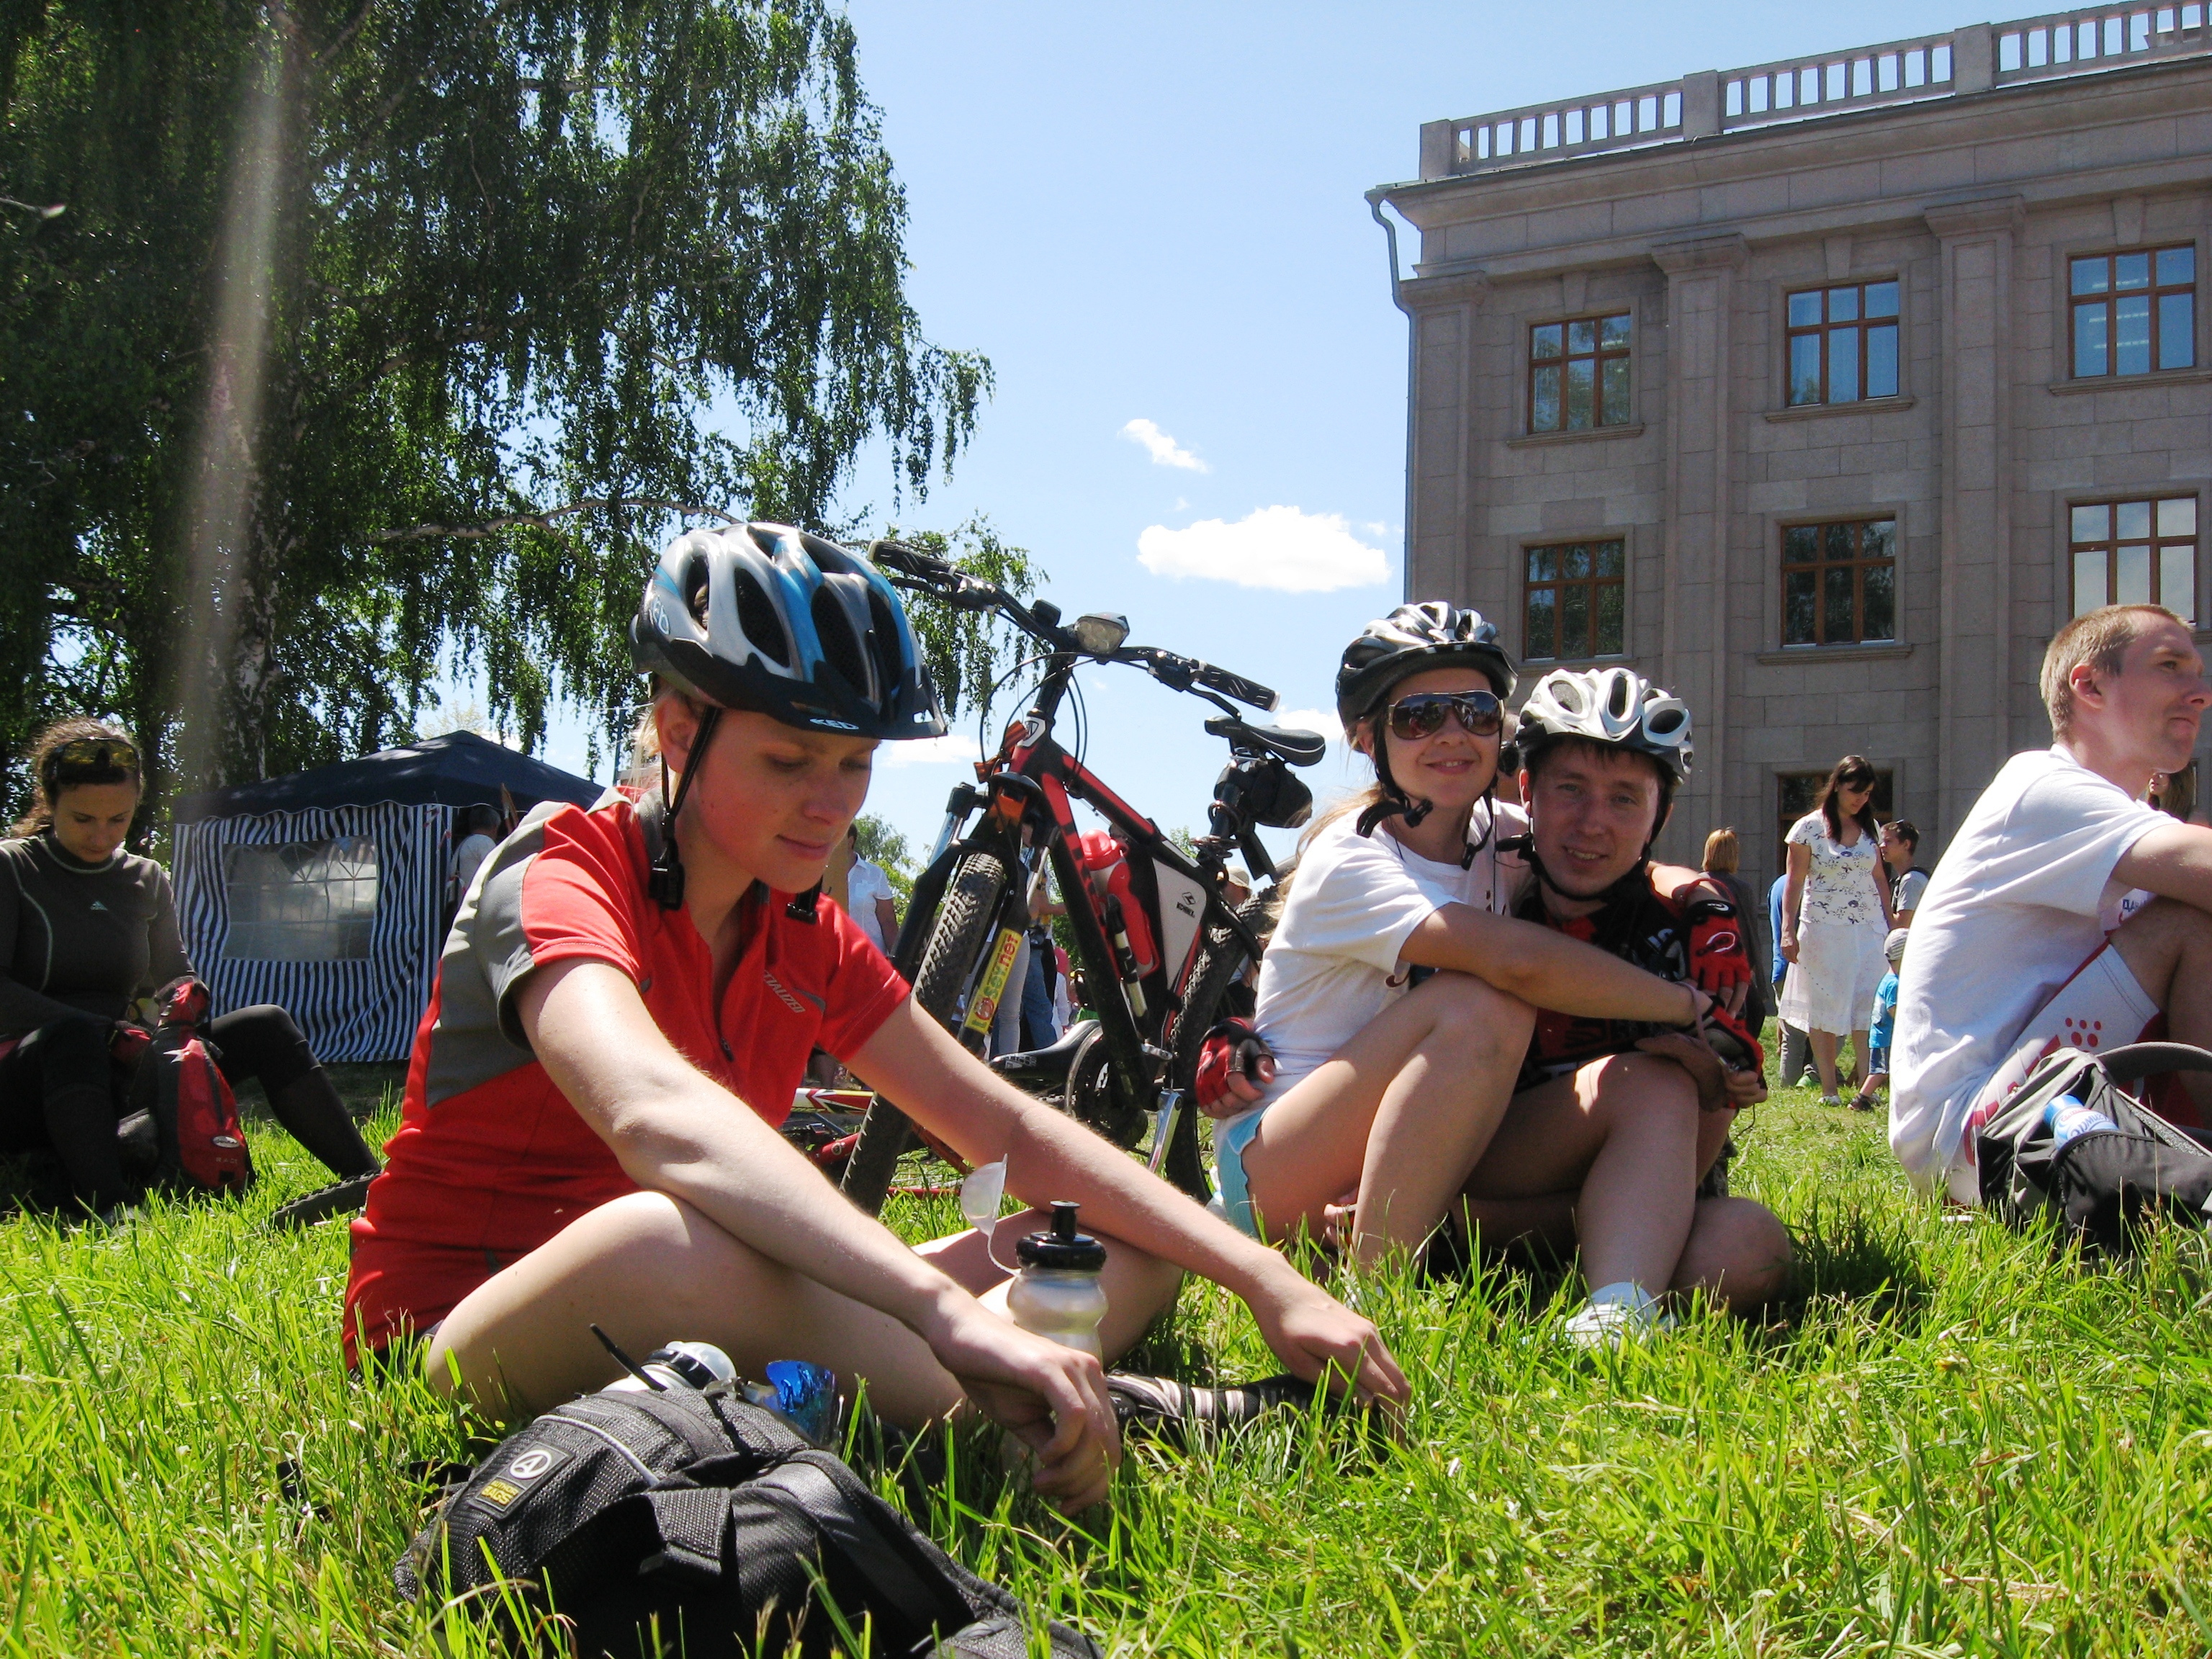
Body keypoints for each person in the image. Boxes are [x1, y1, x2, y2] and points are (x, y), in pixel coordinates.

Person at [343, 524, 1403, 1511]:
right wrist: (938, 1312)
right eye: (788, 761)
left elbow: (1005, 1126)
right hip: (456, 1337)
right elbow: (651, 1113)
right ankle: (1061, 1410)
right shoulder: (564, 865)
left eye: (854, 765)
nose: (833, 804)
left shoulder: (799, 924)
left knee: (1104, 1241)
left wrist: (1262, 1274)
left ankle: (928, 1388)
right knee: (667, 1238)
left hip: (714, 1306)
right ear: (679, 730)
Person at [1201, 607, 1777, 1343]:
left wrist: (1703, 899)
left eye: (1474, 712)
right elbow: (1517, 962)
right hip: (1277, 1162)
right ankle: (1375, 1294)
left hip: (1424, 1145)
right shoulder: (1353, 856)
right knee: (1484, 1002)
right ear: (1367, 737)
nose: (1451, 734)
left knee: (1656, 1094)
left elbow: (1600, 846)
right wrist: (1685, 1006)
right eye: (1418, 716)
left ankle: (1618, 1312)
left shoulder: (1498, 837)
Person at [0, 720, 381, 1220]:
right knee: (72, 1037)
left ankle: (372, 1184)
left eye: (118, 819)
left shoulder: (145, 877)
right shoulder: (14, 867)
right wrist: (103, 1031)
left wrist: (184, 995)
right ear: (49, 803)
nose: (101, 835)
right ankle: (110, 1209)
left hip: (120, 1062)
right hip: (29, 1075)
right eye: (83, 819)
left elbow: (173, 973)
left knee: (266, 1024)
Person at [1893, 604, 2212, 1202]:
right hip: (1975, 1136)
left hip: (2041, 1107)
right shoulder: (2040, 788)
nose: (2201, 693)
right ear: (2090, 686)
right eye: (2170, 667)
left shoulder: (2130, 821)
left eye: (2197, 672)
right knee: (2191, 923)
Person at [1778, 757, 1894, 1107]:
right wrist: (1787, 930)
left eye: (1867, 793)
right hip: (1823, 929)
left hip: (1869, 930)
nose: (1861, 799)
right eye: (1855, 790)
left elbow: (1879, 878)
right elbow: (1794, 882)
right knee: (1825, 1006)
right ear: (1838, 785)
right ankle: (1829, 1088)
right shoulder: (1807, 828)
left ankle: (1865, 1090)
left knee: (1868, 1004)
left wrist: (1890, 923)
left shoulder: (1870, 827)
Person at [1699, 827, 1770, 1028]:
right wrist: (1752, 967)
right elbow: (1749, 930)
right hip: (1735, 963)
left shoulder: (1696, 883)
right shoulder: (1741, 888)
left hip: (1703, 963)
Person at [1848, 929, 1908, 1113]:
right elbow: (1893, 1009)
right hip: (1885, 1037)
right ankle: (1861, 1099)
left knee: (1887, 1069)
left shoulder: (1888, 978)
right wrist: (1907, 1022)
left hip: (1881, 1035)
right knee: (1880, 1071)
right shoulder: (1895, 983)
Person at [1768, 871, 1812, 1086]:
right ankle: (1800, 1078)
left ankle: (1787, 1081)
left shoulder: (1778, 884)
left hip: (1780, 965)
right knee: (1801, 1032)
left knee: (1787, 1026)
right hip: (1799, 965)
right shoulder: (1805, 885)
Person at [842, 825, 899, 957]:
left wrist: (897, 960)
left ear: (850, 841)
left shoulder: (875, 874)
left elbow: (888, 920)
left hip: (870, 957)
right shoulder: (819, 875)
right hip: (832, 956)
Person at [1880, 819, 1928, 928]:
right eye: (1882, 841)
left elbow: (1902, 926)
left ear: (1906, 844)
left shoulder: (1911, 880)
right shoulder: (1907, 878)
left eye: (1888, 841)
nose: (1882, 846)